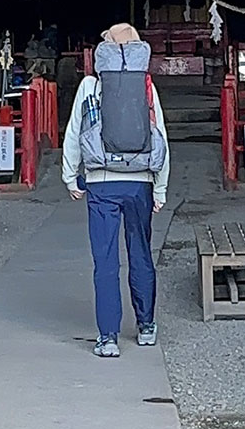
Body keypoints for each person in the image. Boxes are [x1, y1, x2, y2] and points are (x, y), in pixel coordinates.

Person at [61, 22, 171, 358]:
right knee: (140, 253)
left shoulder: (90, 85)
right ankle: (146, 326)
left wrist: (70, 176)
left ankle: (108, 337)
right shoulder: (145, 87)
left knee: (105, 261)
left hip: (101, 184)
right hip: (140, 182)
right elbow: (160, 136)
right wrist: (160, 188)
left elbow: (74, 133)